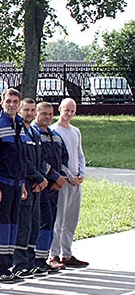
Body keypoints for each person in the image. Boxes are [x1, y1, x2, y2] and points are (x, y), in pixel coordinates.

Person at [0, 88, 29, 284]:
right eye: (9, 101)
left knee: (13, 226)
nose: (12, 105)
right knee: (1, 226)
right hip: (2, 184)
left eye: (15, 101)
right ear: (2, 103)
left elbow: (22, 158)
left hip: (17, 185)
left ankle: (8, 265)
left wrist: (23, 183)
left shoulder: (21, 126)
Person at [11, 98, 48, 279]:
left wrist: (42, 179)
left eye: (33, 110)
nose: (30, 114)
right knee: (23, 225)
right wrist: (37, 177)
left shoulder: (34, 132)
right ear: (19, 110)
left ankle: (30, 261)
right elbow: (22, 160)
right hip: (24, 183)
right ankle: (19, 264)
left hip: (36, 186)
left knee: (34, 224)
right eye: (26, 110)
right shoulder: (18, 131)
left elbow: (40, 158)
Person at [50, 98, 89, 268]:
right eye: (66, 110)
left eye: (72, 111)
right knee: (59, 219)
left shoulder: (76, 131)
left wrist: (81, 174)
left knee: (71, 219)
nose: (69, 114)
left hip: (76, 183)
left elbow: (80, 154)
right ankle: (53, 254)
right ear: (60, 109)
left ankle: (67, 253)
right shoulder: (54, 131)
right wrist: (69, 176)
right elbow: (58, 160)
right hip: (63, 181)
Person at [33, 102, 68, 273]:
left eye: (50, 114)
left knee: (50, 221)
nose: (47, 117)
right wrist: (53, 176)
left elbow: (64, 159)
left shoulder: (56, 136)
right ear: (36, 114)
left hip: (54, 187)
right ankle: (36, 259)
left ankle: (44, 257)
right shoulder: (34, 134)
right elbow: (38, 160)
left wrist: (61, 178)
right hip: (41, 185)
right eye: (44, 114)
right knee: (41, 222)